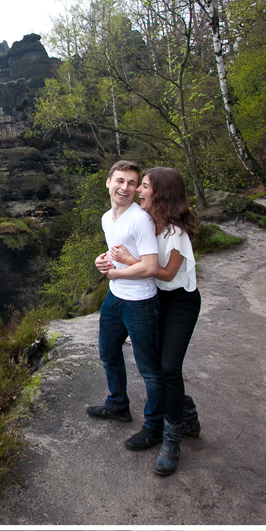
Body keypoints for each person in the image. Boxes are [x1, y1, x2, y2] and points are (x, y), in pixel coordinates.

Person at [107, 167, 201, 476]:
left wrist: (131, 264)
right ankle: (185, 410)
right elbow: (123, 249)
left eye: (144, 186)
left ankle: (170, 440)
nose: (139, 191)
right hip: (154, 298)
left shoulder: (176, 232)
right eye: (140, 185)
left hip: (180, 302)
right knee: (157, 367)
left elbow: (167, 274)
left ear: (161, 193)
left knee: (169, 367)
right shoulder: (146, 222)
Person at [86, 162, 165, 451]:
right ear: (108, 182)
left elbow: (150, 266)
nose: (126, 187)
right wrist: (102, 261)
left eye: (132, 183)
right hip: (114, 298)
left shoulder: (140, 219)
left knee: (149, 370)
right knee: (108, 353)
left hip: (140, 303)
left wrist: (116, 273)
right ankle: (118, 405)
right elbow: (117, 253)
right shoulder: (108, 218)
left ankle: (155, 427)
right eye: (120, 180)